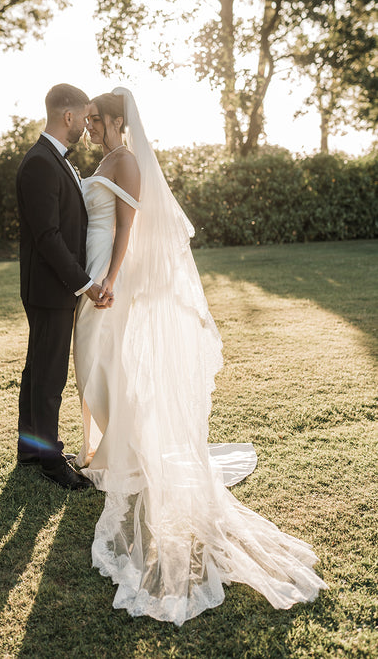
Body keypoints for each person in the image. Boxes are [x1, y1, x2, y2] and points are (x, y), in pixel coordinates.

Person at [73, 87, 327, 624]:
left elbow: (127, 228)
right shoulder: (104, 158)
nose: (90, 125)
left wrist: (112, 278)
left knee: (100, 363)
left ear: (119, 119)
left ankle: (130, 449)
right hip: (90, 274)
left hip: (107, 281)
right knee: (93, 366)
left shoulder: (129, 162)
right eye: (89, 118)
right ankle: (119, 446)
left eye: (97, 118)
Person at [15, 83, 112, 491]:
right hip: (51, 287)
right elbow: (48, 237)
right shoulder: (40, 162)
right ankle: (52, 461)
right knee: (49, 374)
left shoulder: (53, 159)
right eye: (83, 117)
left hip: (51, 286)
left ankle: (30, 448)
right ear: (67, 116)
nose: (85, 126)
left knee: (39, 367)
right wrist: (85, 282)